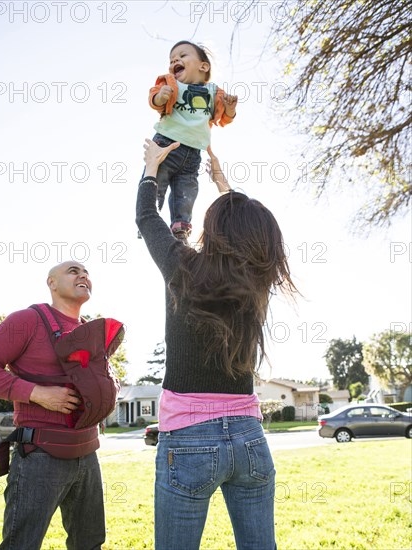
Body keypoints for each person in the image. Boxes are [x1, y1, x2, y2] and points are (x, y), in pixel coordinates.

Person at [136, 139, 298, 550]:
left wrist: (152, 170)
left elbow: (145, 217)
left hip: (188, 440)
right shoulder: (256, 284)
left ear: (215, 230)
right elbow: (249, 232)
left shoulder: (182, 266)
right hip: (249, 440)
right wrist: (224, 185)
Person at [0, 261, 121, 550]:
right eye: (73, 271)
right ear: (51, 283)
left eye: (86, 272)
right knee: (21, 545)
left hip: (88, 456)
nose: (83, 274)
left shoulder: (91, 331)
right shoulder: (27, 320)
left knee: (90, 543)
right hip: (40, 456)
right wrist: (37, 393)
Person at [146, 40, 238, 241]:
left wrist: (230, 109)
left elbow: (224, 119)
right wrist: (161, 96)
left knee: (187, 191)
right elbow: (154, 100)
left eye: (182, 55)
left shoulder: (215, 93)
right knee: (157, 183)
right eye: (171, 60)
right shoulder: (171, 84)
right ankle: (149, 219)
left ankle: (181, 227)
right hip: (166, 146)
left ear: (203, 67)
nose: (175, 61)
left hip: (193, 153)